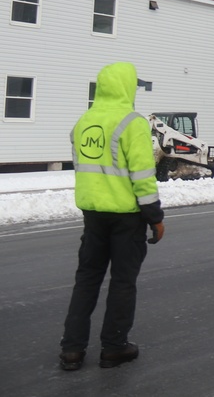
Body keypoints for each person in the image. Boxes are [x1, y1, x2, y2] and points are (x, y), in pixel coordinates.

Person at [59, 62, 165, 371]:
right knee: (122, 282)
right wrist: (155, 217)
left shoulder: (83, 122)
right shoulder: (132, 123)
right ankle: (114, 347)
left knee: (86, 279)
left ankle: (72, 350)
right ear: (126, 88)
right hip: (126, 218)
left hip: (92, 214)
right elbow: (143, 177)